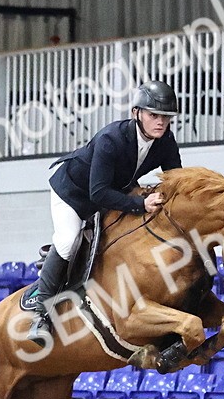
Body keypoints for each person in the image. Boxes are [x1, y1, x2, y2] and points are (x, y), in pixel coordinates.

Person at [28, 80, 184, 345]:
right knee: (68, 240)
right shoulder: (111, 139)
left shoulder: (165, 141)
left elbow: (175, 180)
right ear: (137, 113)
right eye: (153, 115)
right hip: (74, 192)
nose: (160, 122)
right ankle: (41, 312)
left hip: (111, 191)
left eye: (166, 117)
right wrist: (139, 204)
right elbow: (97, 193)